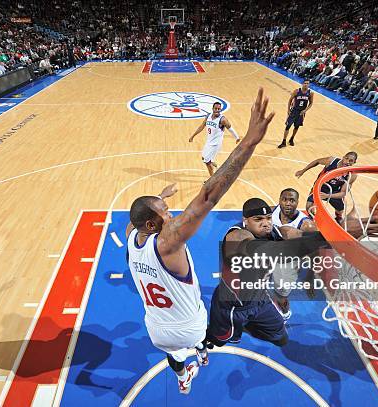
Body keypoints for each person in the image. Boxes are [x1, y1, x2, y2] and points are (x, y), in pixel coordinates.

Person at [127, 88, 275, 395]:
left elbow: (136, 216)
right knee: (199, 336)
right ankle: (202, 352)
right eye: (165, 212)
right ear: (154, 224)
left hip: (156, 331)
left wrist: (159, 198)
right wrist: (249, 141)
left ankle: (184, 375)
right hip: (190, 327)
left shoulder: (132, 237)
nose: (171, 214)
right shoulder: (167, 241)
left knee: (175, 355)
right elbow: (208, 195)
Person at [207, 198, 289, 347]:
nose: (265, 223)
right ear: (245, 220)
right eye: (258, 219)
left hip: (260, 299)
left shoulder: (275, 233)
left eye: (269, 218)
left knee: (281, 339)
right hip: (232, 306)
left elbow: (293, 232)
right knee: (218, 341)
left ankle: (246, 327)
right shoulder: (236, 235)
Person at [269, 188, 318, 319]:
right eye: (284, 199)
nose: (288, 203)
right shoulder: (272, 211)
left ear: (297, 202)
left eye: (292, 200)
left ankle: (284, 311)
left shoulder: (307, 225)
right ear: (280, 200)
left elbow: (314, 253)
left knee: (282, 294)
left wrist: (310, 276)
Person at [295, 152, 358, 221]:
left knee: (339, 210)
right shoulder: (331, 161)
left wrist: (327, 195)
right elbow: (317, 161)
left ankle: (338, 217)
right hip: (319, 188)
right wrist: (303, 170)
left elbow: (343, 193)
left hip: (334, 193)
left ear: (354, 162)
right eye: (346, 158)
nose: (347, 162)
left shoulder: (352, 175)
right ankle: (312, 217)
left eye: (351, 161)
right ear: (343, 157)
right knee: (309, 207)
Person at [189, 102, 241, 177]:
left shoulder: (223, 120)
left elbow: (230, 128)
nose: (217, 110)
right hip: (209, 142)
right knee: (204, 158)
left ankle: (212, 179)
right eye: (215, 108)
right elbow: (202, 126)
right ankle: (216, 166)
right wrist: (193, 136)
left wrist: (237, 137)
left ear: (220, 110)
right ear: (212, 109)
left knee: (207, 162)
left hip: (216, 144)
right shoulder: (208, 116)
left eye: (219, 109)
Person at [278, 79, 313, 148]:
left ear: (309, 85)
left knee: (296, 127)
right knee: (288, 126)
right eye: (305, 83)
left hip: (301, 113)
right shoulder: (297, 91)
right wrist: (288, 110)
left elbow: (311, 103)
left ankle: (291, 139)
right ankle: (284, 141)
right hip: (294, 111)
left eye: (307, 83)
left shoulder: (310, 93)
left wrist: (305, 110)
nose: (306, 84)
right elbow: (290, 100)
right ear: (302, 84)